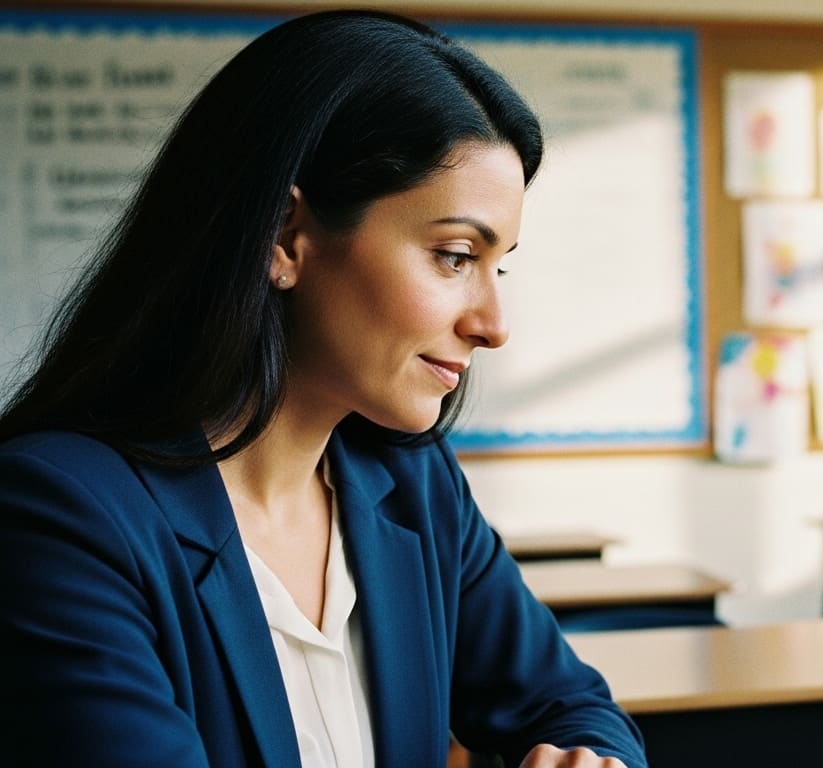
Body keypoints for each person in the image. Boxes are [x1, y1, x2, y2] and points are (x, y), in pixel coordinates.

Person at [0, 10, 646, 768]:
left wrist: (587, 761)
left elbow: (571, 707)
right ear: (284, 235)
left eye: (497, 266)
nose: (493, 324)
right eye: (453, 256)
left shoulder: (409, 484)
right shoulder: (58, 514)